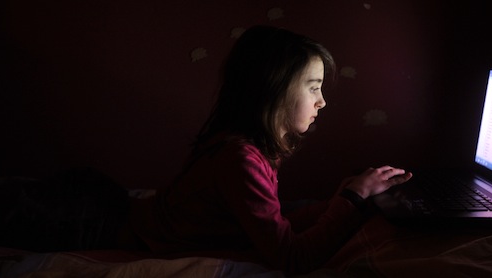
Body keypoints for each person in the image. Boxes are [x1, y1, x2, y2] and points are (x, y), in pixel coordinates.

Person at [128, 25, 413, 275]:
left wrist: (338, 202)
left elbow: (276, 222)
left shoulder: (256, 148)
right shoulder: (240, 160)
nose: (322, 101)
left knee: (305, 207)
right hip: (103, 221)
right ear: (275, 89)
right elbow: (293, 259)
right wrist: (353, 197)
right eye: (314, 87)